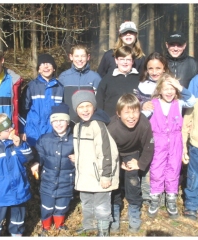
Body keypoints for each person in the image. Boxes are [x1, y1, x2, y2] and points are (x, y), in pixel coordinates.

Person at [142, 74, 196, 219]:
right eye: (166, 88)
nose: (169, 92)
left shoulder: (178, 103)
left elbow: (191, 101)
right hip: (158, 142)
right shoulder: (153, 103)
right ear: (159, 90)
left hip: (175, 141)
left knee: (173, 168)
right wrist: (142, 105)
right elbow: (141, 116)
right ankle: (155, 198)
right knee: (157, 169)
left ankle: (171, 199)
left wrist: (179, 87)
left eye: (172, 89)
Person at [71, 90, 119, 236]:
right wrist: (77, 157)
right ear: (75, 109)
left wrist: (106, 175)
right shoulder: (78, 126)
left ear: (94, 107)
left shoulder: (98, 124)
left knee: (101, 205)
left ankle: (103, 230)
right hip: (85, 176)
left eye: (88, 105)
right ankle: (90, 226)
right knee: (87, 203)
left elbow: (107, 152)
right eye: (81, 107)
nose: (85, 110)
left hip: (99, 176)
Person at [107, 93, 154, 233]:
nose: (131, 117)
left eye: (135, 112)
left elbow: (149, 146)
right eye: (127, 112)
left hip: (133, 153)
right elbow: (107, 149)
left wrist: (140, 164)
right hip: (115, 154)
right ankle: (114, 207)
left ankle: (134, 207)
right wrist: (118, 162)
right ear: (118, 114)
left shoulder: (144, 123)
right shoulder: (112, 128)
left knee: (132, 178)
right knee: (114, 180)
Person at [30, 103, 75, 236]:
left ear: (67, 122)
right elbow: (40, 155)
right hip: (48, 180)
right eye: (55, 121)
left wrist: (78, 158)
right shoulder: (45, 139)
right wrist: (37, 162)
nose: (59, 124)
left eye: (62, 120)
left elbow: (84, 155)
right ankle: (46, 226)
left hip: (66, 181)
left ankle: (60, 224)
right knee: (47, 205)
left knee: (62, 205)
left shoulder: (74, 140)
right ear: (51, 122)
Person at [134, 52, 170, 206]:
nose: (154, 72)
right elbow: (134, 104)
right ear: (146, 70)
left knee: (165, 164)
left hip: (167, 133)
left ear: (164, 69)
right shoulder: (143, 86)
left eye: (158, 68)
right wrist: (142, 105)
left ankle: (163, 196)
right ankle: (148, 195)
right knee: (149, 162)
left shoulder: (170, 85)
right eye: (151, 68)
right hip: (148, 132)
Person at [19, 53, 64, 147]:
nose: (46, 67)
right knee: (34, 160)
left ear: (54, 68)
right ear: (39, 69)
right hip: (33, 133)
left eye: (49, 64)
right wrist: (22, 130)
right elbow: (22, 111)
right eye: (42, 64)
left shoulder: (60, 88)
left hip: (53, 132)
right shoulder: (31, 87)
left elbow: (63, 113)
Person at [58, 44, 101, 125]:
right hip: (69, 122)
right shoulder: (63, 77)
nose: (80, 59)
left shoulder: (95, 78)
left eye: (83, 56)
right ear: (71, 57)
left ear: (88, 57)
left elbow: (99, 102)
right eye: (77, 56)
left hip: (89, 122)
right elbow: (60, 102)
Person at [96, 45, 139, 118]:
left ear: (132, 61)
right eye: (122, 59)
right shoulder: (107, 79)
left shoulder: (139, 79)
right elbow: (99, 101)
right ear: (116, 60)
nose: (125, 62)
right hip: (111, 122)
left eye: (128, 59)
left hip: (132, 121)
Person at [182, 96, 198, 221]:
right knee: (194, 176)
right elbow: (186, 124)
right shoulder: (195, 102)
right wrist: (184, 147)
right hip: (196, 146)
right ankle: (191, 205)